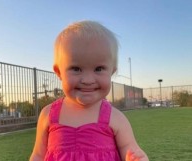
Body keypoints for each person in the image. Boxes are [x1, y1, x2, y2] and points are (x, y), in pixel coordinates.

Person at [30, 20, 149, 161]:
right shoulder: (48, 115)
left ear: (111, 72)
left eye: (98, 69)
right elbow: (38, 155)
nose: (87, 80)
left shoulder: (116, 119)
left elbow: (131, 150)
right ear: (59, 72)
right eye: (76, 69)